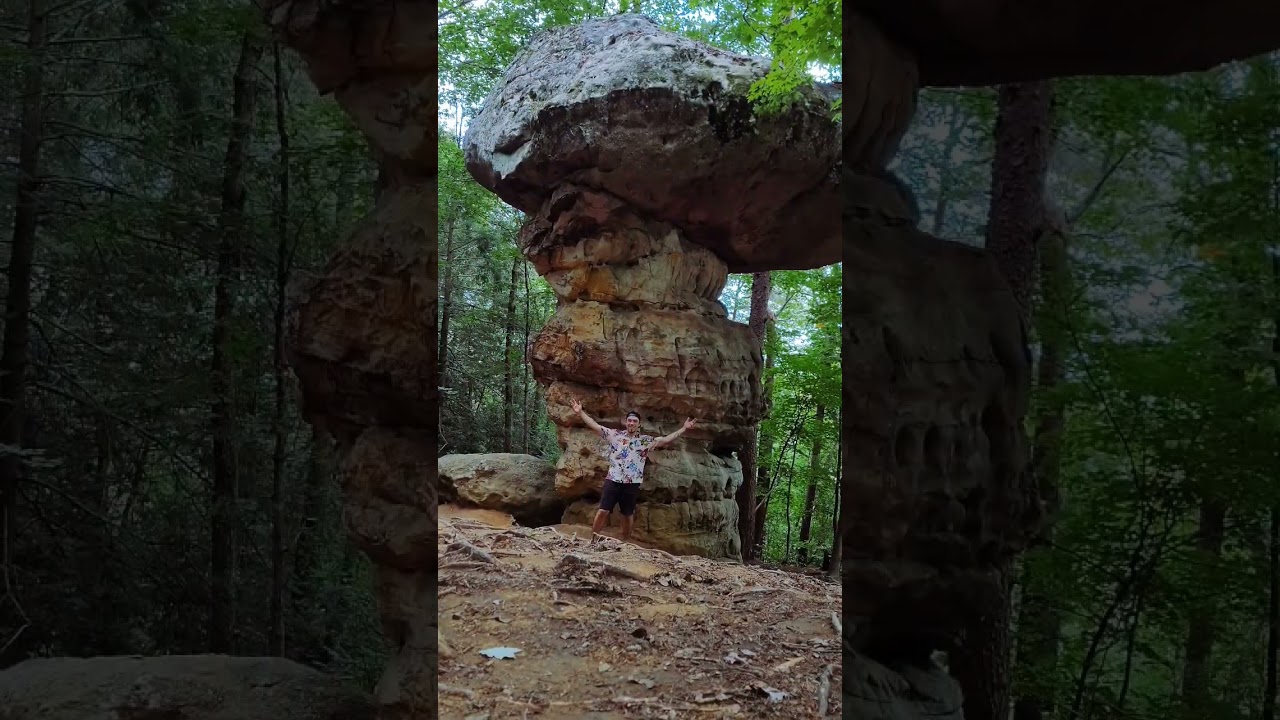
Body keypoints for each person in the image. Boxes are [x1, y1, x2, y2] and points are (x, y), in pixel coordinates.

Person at [570, 398, 695, 543]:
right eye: (629, 420)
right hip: (613, 479)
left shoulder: (645, 441)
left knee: (627, 514)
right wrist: (580, 412)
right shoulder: (615, 435)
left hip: (632, 483)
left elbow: (666, 440)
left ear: (639, 424)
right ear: (626, 422)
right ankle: (594, 539)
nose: (631, 423)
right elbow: (595, 426)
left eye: (634, 421)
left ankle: (624, 542)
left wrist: (684, 428)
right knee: (603, 510)